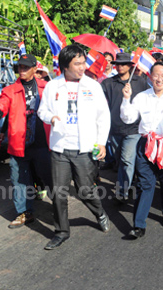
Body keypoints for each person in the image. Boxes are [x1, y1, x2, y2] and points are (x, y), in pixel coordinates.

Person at [38, 44, 111, 250]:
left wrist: (102, 142)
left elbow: (103, 116)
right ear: (65, 66)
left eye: (83, 62)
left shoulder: (92, 86)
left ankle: (99, 213)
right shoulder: (53, 86)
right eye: (77, 63)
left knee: (85, 190)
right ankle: (61, 231)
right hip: (60, 148)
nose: (82, 67)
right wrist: (50, 117)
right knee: (59, 193)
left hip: (84, 148)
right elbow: (42, 111)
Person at [120, 62, 163, 238]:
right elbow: (128, 119)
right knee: (145, 184)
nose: (159, 79)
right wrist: (126, 98)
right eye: (156, 75)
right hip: (147, 145)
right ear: (150, 77)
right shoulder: (141, 97)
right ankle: (139, 225)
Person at [0, 54, 52, 229]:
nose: (22, 70)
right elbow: (2, 107)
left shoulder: (46, 88)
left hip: (42, 142)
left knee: (48, 177)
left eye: (26, 67)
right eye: (20, 67)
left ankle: (59, 206)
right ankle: (25, 212)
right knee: (19, 180)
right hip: (18, 144)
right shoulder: (10, 90)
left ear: (35, 69)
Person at [101, 52, 148, 202]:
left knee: (127, 159)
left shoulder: (140, 82)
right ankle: (128, 182)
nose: (120, 66)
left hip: (134, 129)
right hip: (114, 129)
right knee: (120, 161)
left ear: (130, 66)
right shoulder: (108, 83)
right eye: (118, 64)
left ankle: (122, 192)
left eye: (123, 64)